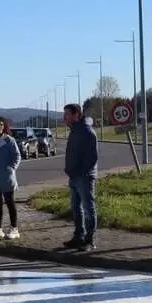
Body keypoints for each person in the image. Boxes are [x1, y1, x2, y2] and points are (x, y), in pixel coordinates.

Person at [62, 103, 99, 251]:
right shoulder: (74, 131)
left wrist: (80, 172)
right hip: (74, 176)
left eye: (67, 114)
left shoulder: (87, 132)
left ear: (76, 114)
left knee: (88, 208)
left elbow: (92, 158)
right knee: (76, 208)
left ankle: (89, 240)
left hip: (85, 177)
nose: (64, 117)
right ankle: (78, 236)